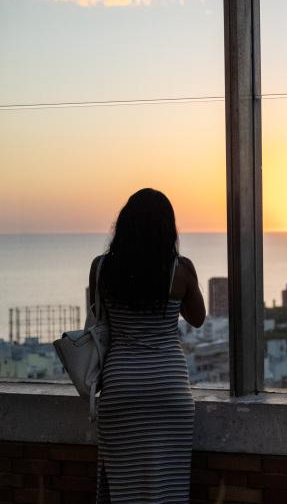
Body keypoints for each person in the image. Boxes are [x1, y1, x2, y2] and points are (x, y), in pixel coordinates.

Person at [91, 188, 205, 504]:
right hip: (168, 387)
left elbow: (100, 321)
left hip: (121, 385)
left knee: (123, 486)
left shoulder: (101, 268)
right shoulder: (181, 269)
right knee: (167, 485)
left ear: (124, 225)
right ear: (168, 228)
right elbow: (197, 318)